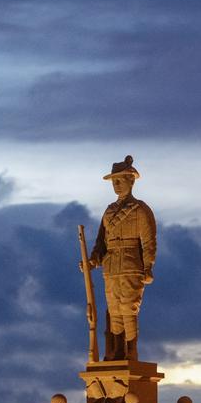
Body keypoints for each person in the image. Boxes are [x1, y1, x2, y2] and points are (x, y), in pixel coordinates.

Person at [84, 155, 156, 361]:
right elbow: (101, 242)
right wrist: (93, 260)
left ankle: (131, 351)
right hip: (111, 266)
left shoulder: (140, 210)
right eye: (113, 181)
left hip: (132, 264)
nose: (116, 184)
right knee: (114, 310)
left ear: (131, 181)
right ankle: (116, 351)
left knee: (128, 309)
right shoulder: (109, 211)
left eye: (120, 180)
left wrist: (148, 266)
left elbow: (149, 241)